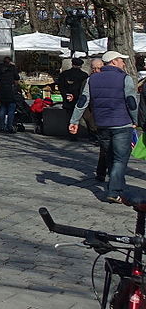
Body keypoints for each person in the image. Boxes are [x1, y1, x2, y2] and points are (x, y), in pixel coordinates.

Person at [69, 51, 140, 203]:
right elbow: (131, 103)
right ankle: (114, 191)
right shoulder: (125, 78)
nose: (123, 63)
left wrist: (74, 120)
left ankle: (118, 186)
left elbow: (83, 101)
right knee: (120, 159)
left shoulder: (92, 79)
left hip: (102, 124)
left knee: (110, 156)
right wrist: (135, 120)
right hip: (122, 123)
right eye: (121, 60)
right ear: (114, 62)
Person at [58, 58, 89, 142]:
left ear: (72, 64)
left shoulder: (64, 74)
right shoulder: (84, 75)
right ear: (81, 65)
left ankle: (72, 134)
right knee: (86, 117)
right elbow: (84, 89)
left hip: (68, 100)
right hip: (80, 99)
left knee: (70, 117)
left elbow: (61, 86)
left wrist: (66, 95)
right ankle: (91, 134)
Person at [0, 56, 22, 133]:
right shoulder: (12, 68)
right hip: (11, 91)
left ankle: (1, 127)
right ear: (10, 62)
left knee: (2, 109)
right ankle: (9, 126)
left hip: (2, 91)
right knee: (11, 110)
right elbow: (17, 77)